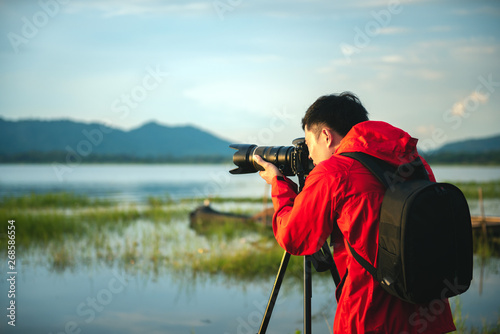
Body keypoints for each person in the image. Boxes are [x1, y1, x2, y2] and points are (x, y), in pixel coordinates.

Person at [253, 92, 456, 333]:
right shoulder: (415, 162)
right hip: (429, 315)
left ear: (326, 136)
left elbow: (294, 237)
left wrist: (279, 183)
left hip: (369, 318)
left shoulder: (335, 172)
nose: (309, 156)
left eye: (309, 144)